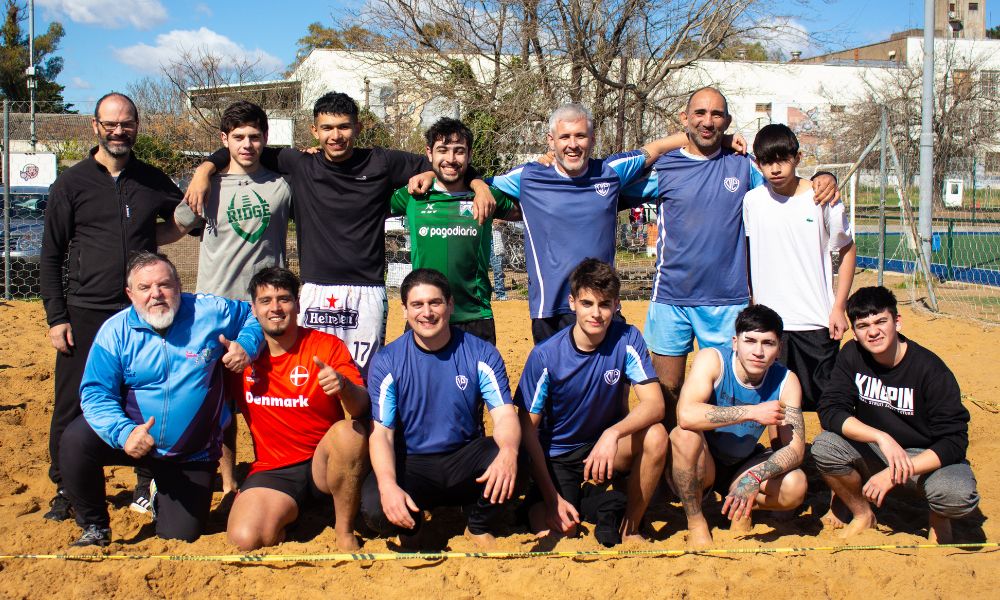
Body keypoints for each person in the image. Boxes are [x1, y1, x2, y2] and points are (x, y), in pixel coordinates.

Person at [185, 92, 494, 376]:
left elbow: (445, 163)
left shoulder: (382, 161)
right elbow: (243, 148)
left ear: (357, 127)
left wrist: (477, 185)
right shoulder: (298, 163)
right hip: (315, 290)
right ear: (314, 130)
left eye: (344, 127)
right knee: (312, 380)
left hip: (367, 290)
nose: (335, 136)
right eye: (327, 128)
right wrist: (204, 170)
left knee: (363, 381)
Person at [624, 87, 838, 428]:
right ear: (685, 118)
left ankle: (721, 464)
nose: (707, 122)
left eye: (716, 115)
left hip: (727, 301)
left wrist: (825, 179)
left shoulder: (742, 165)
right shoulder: (665, 167)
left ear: (728, 121)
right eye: (699, 113)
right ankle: (668, 467)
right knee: (668, 393)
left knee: (726, 392)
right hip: (670, 298)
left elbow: (785, 181)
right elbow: (608, 181)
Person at [39, 92, 184, 521]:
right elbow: (51, 254)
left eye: (127, 123)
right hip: (84, 309)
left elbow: (180, 218)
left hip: (139, 313)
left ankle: (146, 480)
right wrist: (56, 316)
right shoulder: (72, 183)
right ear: (95, 126)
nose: (119, 131)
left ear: (137, 126)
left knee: (142, 397)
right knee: (71, 403)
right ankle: (67, 487)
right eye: (111, 123)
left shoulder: (152, 179)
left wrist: (150, 239)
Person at [58, 252, 263, 546]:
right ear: (130, 294)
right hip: (135, 440)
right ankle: (94, 526)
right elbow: (95, 393)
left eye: (164, 285)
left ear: (179, 285)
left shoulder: (210, 312)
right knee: (76, 440)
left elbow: (251, 315)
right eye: (144, 288)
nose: (156, 294)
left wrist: (246, 344)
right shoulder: (115, 332)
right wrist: (124, 432)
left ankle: (157, 494)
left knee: (181, 535)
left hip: (191, 452)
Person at [490, 103, 715, 344]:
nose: (573, 144)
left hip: (603, 305)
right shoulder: (528, 176)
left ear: (592, 139)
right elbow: (476, 184)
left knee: (611, 379)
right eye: (564, 137)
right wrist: (480, 186)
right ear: (551, 140)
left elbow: (658, 148)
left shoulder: (611, 171)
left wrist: (719, 139)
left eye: (580, 136)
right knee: (557, 379)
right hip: (551, 309)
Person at [172, 100, 292, 494]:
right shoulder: (206, 188)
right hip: (214, 308)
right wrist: (204, 171)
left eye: (254, 136)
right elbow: (172, 229)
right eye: (238, 137)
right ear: (224, 140)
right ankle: (227, 484)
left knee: (265, 398)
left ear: (265, 139)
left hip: (265, 309)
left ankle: (269, 473)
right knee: (220, 405)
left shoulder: (282, 186)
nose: (247, 144)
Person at [361, 269, 520, 546]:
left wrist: (508, 452)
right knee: (375, 508)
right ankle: (415, 529)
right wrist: (387, 485)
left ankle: (477, 524)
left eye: (435, 302)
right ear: (404, 310)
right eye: (417, 304)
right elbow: (382, 433)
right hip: (412, 462)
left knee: (518, 460)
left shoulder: (480, 352)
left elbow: (504, 414)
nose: (427, 312)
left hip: (463, 458)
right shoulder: (388, 361)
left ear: (451, 304)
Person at [516, 259, 667, 546]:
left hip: (605, 447)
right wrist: (551, 497)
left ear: (617, 304)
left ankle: (631, 527)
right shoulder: (546, 355)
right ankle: (566, 502)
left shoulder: (627, 338)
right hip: (559, 454)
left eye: (605, 304)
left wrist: (612, 434)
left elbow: (655, 404)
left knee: (657, 435)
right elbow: (527, 431)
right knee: (564, 529)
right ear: (572, 303)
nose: (596, 314)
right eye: (587, 304)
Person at [813, 286, 979, 543]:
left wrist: (897, 472)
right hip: (878, 451)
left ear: (897, 322)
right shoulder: (852, 355)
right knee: (825, 446)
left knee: (955, 494)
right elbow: (831, 410)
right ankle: (862, 513)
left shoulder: (930, 370)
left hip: (925, 461)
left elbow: (954, 441)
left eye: (881, 321)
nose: (873, 331)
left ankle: (938, 518)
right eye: (863, 325)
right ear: (854, 333)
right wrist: (881, 437)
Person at [226, 267, 369, 551]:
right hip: (275, 469)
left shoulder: (325, 346)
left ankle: (343, 531)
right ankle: (290, 514)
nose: (275, 308)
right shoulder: (240, 359)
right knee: (246, 538)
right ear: (253, 309)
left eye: (284, 299)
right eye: (266, 301)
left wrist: (343, 386)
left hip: (324, 464)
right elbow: (220, 418)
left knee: (349, 433)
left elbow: (362, 405)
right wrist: (228, 482)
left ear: (298, 304)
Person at [669, 304, 807, 547]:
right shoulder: (713, 359)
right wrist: (752, 412)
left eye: (768, 343)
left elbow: (795, 450)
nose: (758, 351)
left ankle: (743, 504)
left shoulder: (786, 380)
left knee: (795, 486)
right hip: (704, 460)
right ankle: (696, 520)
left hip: (742, 465)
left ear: (779, 349)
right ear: (735, 342)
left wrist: (752, 478)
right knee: (683, 436)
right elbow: (686, 415)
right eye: (750, 340)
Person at [743, 123, 857, 411]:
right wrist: (752, 299)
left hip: (815, 320)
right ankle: (782, 455)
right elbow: (747, 251)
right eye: (767, 162)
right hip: (771, 324)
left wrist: (838, 306)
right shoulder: (752, 201)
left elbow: (846, 248)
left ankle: (828, 455)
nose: (775, 169)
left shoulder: (822, 199)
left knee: (825, 402)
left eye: (782, 159)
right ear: (758, 164)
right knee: (774, 402)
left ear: (798, 157)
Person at [389, 117, 519, 344]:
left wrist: (480, 184)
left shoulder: (487, 196)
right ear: (429, 153)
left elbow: (529, 209)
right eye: (443, 151)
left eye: (459, 151)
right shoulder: (413, 195)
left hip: (475, 316)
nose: (450, 159)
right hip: (424, 316)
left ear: (469, 155)